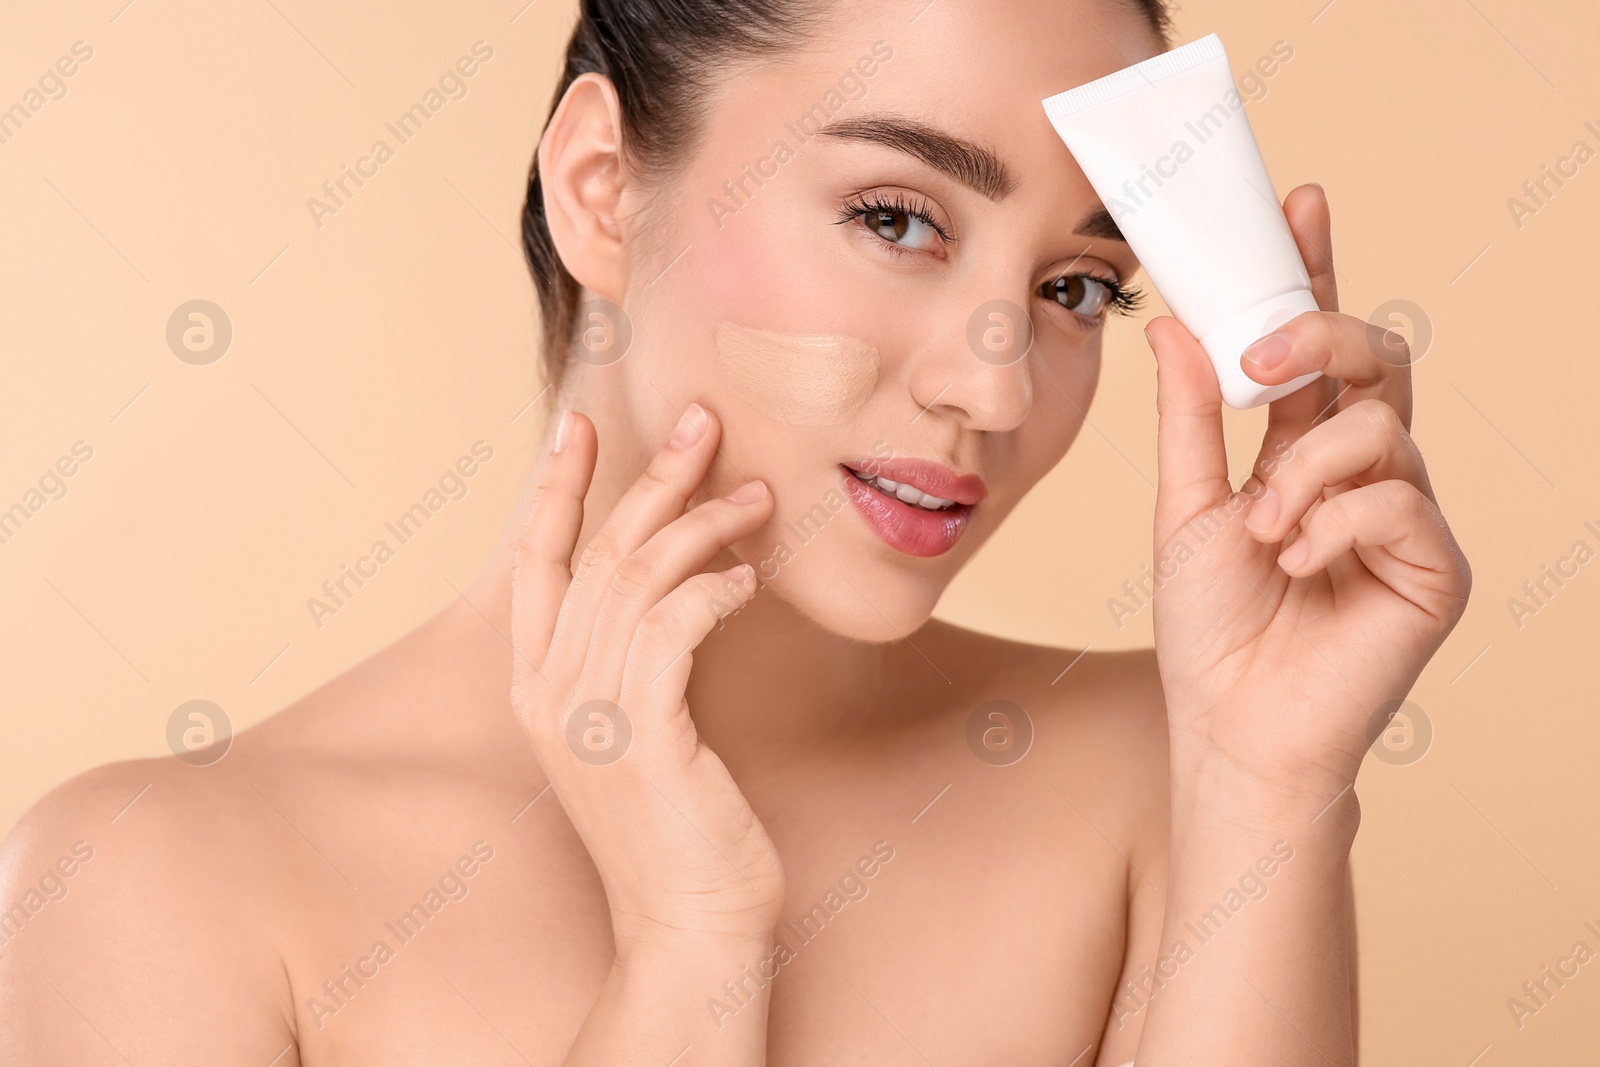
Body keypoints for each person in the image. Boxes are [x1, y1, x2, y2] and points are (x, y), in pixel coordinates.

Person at [0, 0, 1469, 1062]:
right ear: (598, 191)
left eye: (1079, 287)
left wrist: (1269, 791)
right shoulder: (159, 887)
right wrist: (690, 953)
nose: (995, 377)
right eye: (898, 217)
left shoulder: (1155, 782)